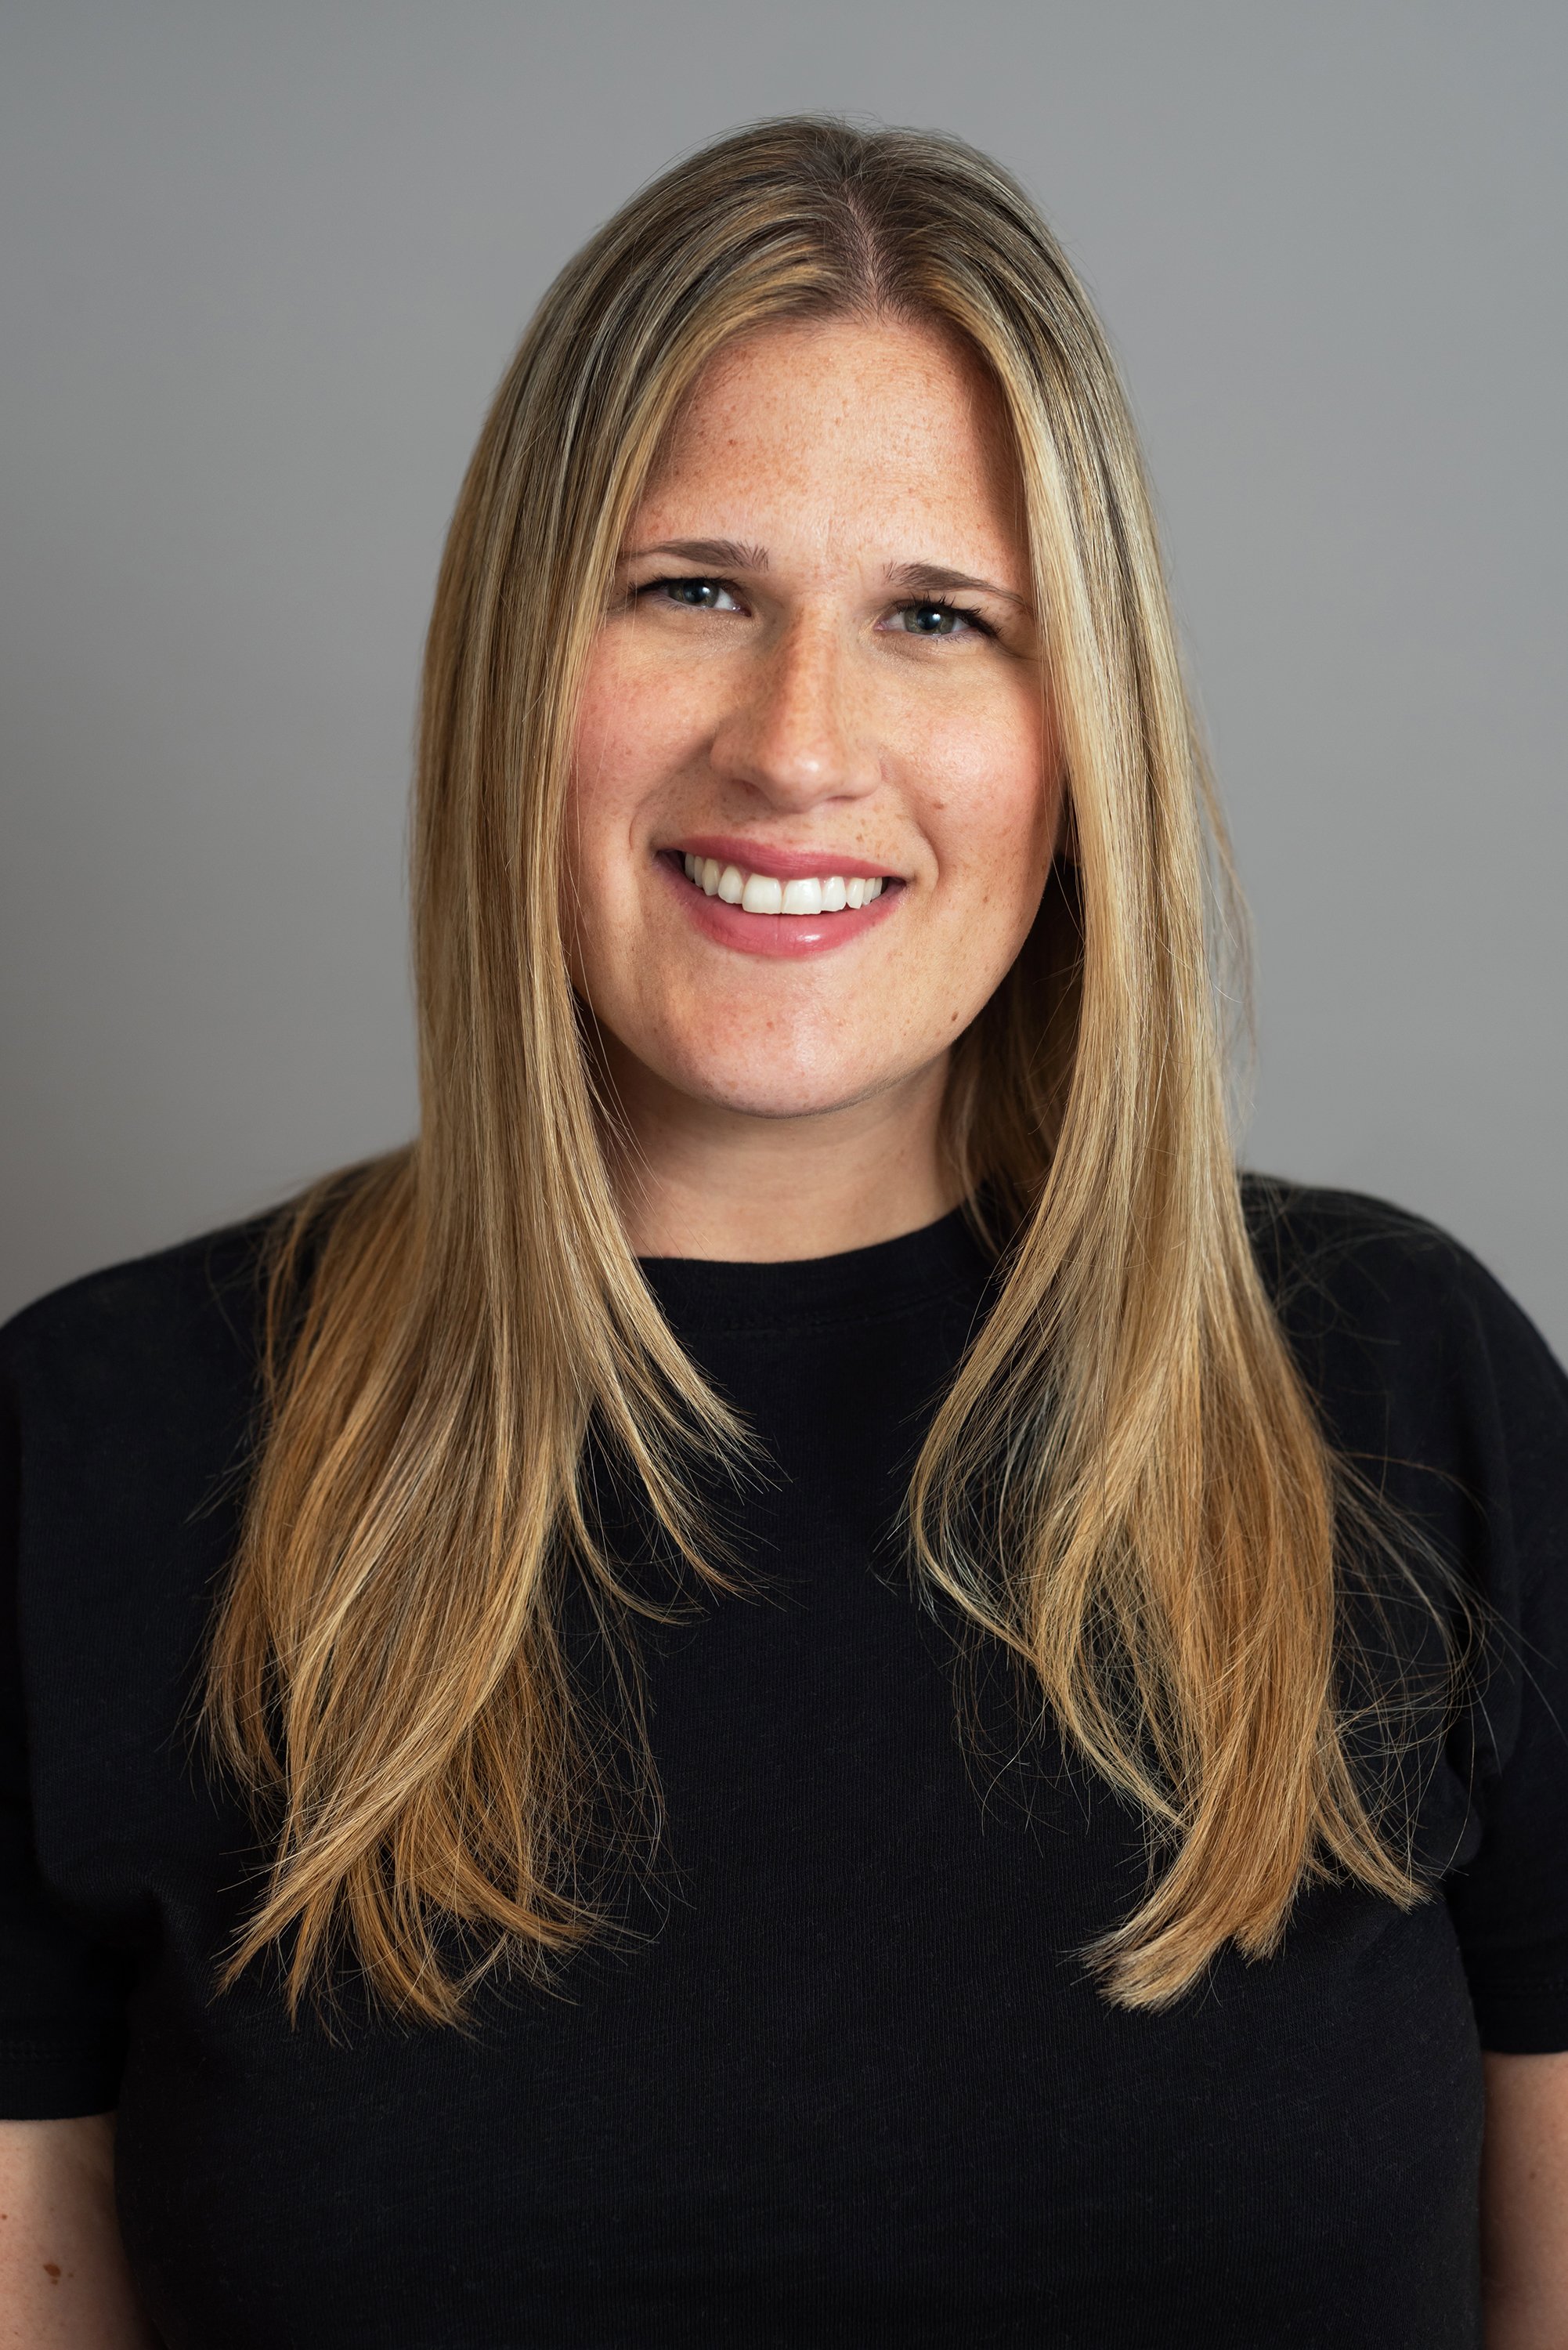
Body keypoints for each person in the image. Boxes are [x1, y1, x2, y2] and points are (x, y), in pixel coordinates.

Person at [1, 116, 1564, 2350]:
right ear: (511, 667)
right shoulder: (91, 1449)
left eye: (938, 618)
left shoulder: (1410, 1401)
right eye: (692, 590)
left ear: (1076, 736)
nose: (799, 745)